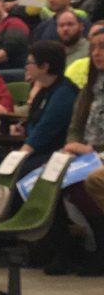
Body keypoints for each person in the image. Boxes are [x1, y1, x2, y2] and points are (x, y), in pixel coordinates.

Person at [57, 27, 104, 275]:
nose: (97, 53)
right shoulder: (89, 89)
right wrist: (72, 146)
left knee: (85, 183)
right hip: (86, 154)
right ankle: (66, 250)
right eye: (94, 47)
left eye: (103, 47)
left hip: (98, 155)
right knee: (53, 174)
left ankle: (98, 247)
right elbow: (75, 127)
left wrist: (91, 149)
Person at [11, 41, 79, 188]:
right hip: (39, 151)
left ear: (44, 67)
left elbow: (45, 130)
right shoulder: (44, 89)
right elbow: (36, 120)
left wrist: (18, 158)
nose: (26, 66)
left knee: (17, 172)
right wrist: (22, 126)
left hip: (55, 154)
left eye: (30, 62)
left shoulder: (64, 94)